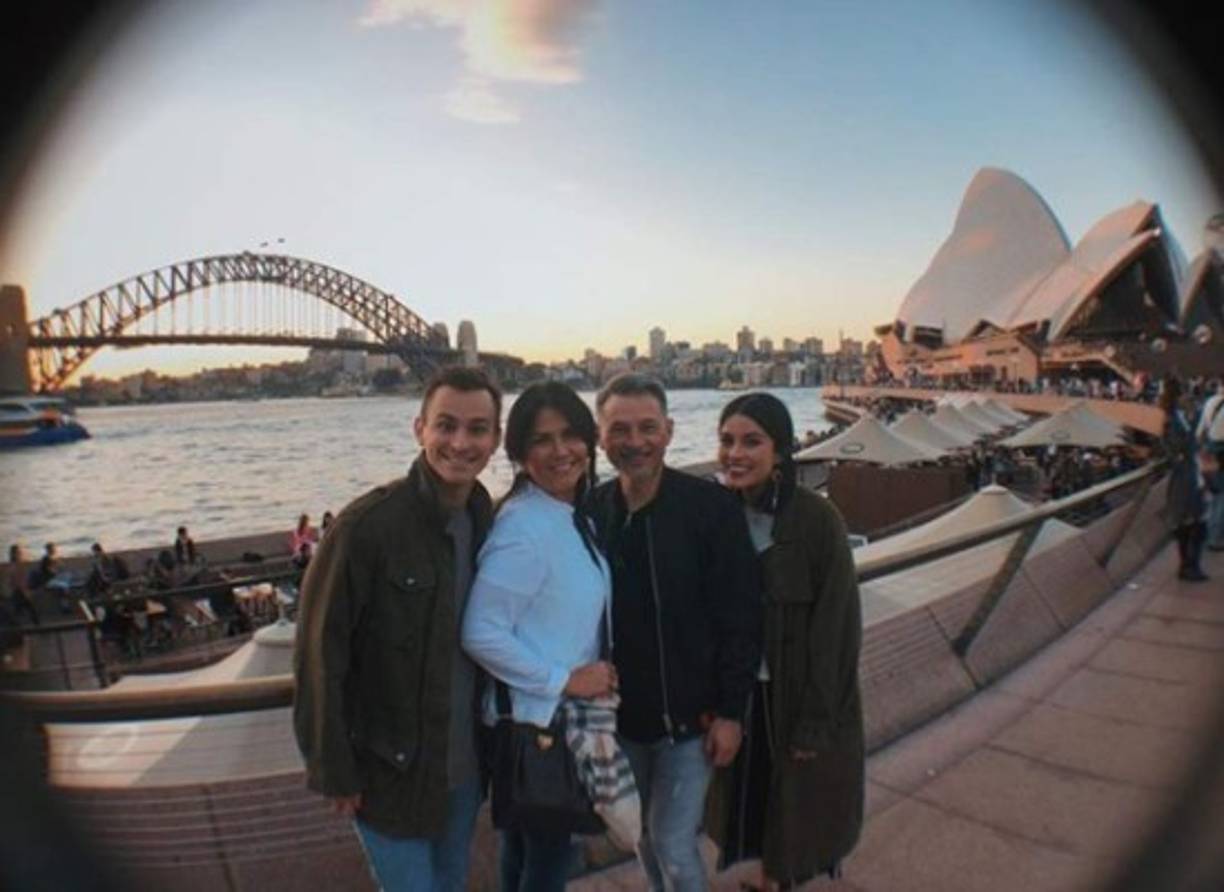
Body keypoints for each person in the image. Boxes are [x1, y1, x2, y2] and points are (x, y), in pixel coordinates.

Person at [293, 366, 502, 892]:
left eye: (478, 429)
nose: (460, 442)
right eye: (446, 425)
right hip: (390, 773)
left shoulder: (487, 520)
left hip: (465, 770)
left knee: (451, 884)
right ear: (419, 429)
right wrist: (333, 768)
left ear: (496, 439)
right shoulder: (366, 528)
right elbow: (320, 655)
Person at [588, 373, 762, 892]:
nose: (634, 441)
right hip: (621, 720)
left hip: (691, 721)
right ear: (601, 437)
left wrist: (732, 712)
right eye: (620, 429)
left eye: (647, 427)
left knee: (672, 842)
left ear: (668, 431)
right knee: (640, 834)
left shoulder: (710, 510)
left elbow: (741, 617)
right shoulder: (592, 512)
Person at [462, 381, 618, 892]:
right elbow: (480, 631)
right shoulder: (524, 526)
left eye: (571, 435)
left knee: (526, 855)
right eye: (542, 440)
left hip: (550, 722)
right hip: (538, 726)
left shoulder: (567, 514)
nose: (560, 451)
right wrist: (564, 680)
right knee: (548, 865)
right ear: (520, 454)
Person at [708, 392, 865, 890]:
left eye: (752, 441)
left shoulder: (817, 521)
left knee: (796, 806)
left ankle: (777, 878)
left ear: (781, 450)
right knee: (748, 802)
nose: (736, 453)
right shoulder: (716, 515)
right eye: (727, 440)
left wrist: (816, 722)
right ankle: (763, 876)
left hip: (794, 696)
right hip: (738, 696)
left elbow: (837, 628)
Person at [1160, 377, 1209, 581]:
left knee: (1194, 524)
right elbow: (1173, 448)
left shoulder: (1182, 416)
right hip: (1185, 478)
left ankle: (1190, 565)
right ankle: (1188, 566)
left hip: (1191, 474)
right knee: (1191, 524)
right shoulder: (1172, 419)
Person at [1197, 378, 1224, 551]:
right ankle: (1214, 537)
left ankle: (1209, 532)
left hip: (1211, 449)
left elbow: (1200, 431)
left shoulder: (1210, 403)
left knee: (1214, 493)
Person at [5, 545, 40, 626]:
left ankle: (35, 625)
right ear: (14, 554)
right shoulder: (15, 566)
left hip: (17, 592)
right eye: (19, 553)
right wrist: (25, 592)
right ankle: (37, 626)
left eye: (20, 552)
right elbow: (18, 581)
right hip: (19, 592)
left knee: (20, 610)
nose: (21, 554)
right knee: (30, 609)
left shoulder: (15, 564)